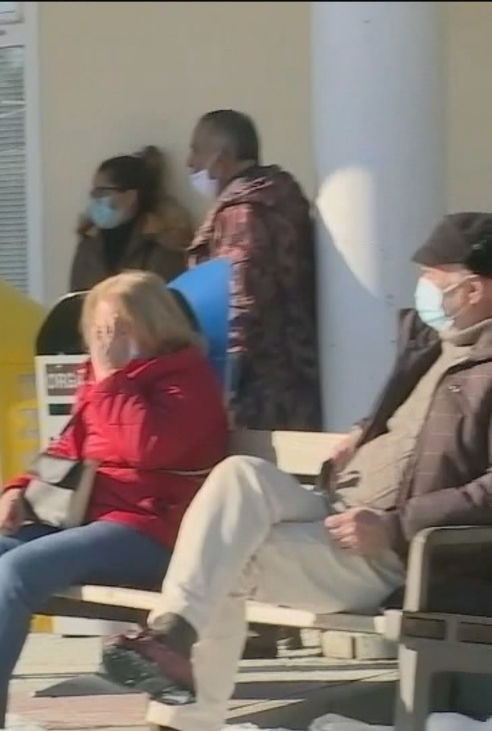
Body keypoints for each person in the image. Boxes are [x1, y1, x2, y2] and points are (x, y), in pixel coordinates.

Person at [102, 213, 492, 731]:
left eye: (433, 278)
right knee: (240, 473)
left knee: (226, 562)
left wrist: (395, 527)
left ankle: (179, 714)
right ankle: (172, 637)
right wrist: (364, 432)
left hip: (393, 550)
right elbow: (412, 422)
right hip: (336, 507)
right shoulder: (434, 342)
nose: (423, 289)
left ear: (474, 289)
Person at [0, 271, 230, 730]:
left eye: (116, 328)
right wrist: (17, 491)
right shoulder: (108, 379)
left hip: (147, 525)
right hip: (87, 519)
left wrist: (111, 379)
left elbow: (146, 447)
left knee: (16, 572)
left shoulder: (185, 379)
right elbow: (66, 449)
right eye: (98, 330)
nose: (104, 341)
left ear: (153, 323)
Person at [185, 109, 321, 432]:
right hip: (293, 379)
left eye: (196, 150)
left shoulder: (241, 216)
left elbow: (237, 299)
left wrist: (226, 383)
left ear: (221, 159)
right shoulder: (277, 200)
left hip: (259, 391)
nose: (190, 163)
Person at [69, 146, 193, 292]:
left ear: (131, 196)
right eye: (94, 191)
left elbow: (168, 301)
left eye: (102, 191)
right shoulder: (89, 243)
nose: (94, 198)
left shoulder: (164, 244)